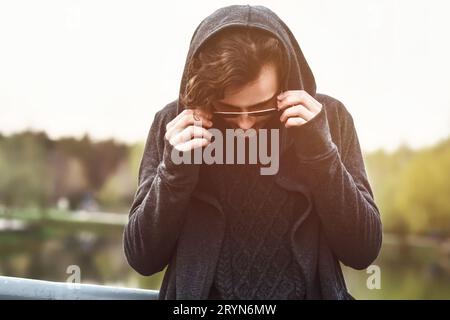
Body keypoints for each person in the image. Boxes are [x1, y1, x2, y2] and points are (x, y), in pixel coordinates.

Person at [123, 4, 382, 300]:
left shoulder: (328, 119)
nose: (245, 125)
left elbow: (363, 250)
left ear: (285, 85)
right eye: (229, 110)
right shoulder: (174, 125)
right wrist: (175, 170)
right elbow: (142, 258)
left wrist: (320, 154)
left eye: (261, 107)